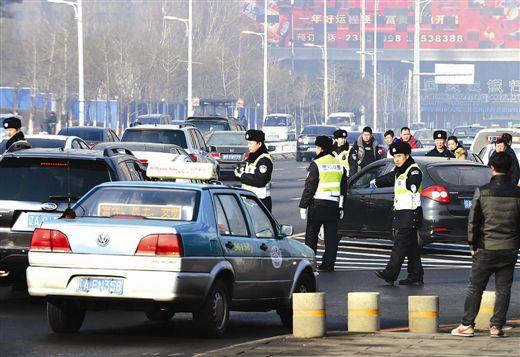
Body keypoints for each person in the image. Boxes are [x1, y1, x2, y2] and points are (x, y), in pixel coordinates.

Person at [451, 152, 520, 338]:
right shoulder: (517, 192)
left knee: (476, 287)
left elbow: (473, 222)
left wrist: (472, 246)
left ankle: (467, 325)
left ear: (492, 168)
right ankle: (496, 327)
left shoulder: (482, 191)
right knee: (504, 289)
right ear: (511, 169)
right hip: (509, 247)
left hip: (486, 246)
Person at [372, 141, 424, 286]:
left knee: (400, 244)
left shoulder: (413, 170)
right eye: (395, 156)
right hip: (402, 213)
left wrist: (412, 185)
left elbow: (413, 181)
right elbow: (389, 178)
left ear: (407, 156)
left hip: (410, 214)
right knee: (411, 246)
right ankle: (416, 275)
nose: (396, 159)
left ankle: (390, 273)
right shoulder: (399, 171)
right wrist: (375, 182)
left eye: (399, 156)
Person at [299, 136, 347, 272]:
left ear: (320, 148)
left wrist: (303, 205)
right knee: (331, 238)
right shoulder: (339, 165)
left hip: (318, 205)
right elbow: (344, 188)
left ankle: (310, 263)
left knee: (311, 235)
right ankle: (329, 264)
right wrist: (341, 206)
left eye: (316, 147)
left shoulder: (317, 163)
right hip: (333, 205)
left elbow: (310, 187)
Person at [235, 129, 274, 211]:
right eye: (248, 143)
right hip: (249, 200)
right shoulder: (252, 157)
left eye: (251, 143)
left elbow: (260, 180)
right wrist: (239, 173)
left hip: (261, 201)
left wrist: (242, 176)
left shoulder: (264, 160)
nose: (248, 145)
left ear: (259, 144)